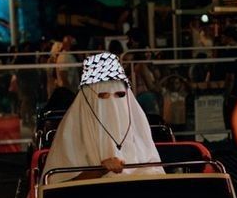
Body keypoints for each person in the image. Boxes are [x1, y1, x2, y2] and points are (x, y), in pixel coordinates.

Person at [44, 52, 163, 183]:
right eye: (103, 96)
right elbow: (56, 186)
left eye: (120, 95)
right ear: (87, 97)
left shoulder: (137, 123)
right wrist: (100, 170)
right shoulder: (71, 131)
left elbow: (156, 171)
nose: (112, 104)